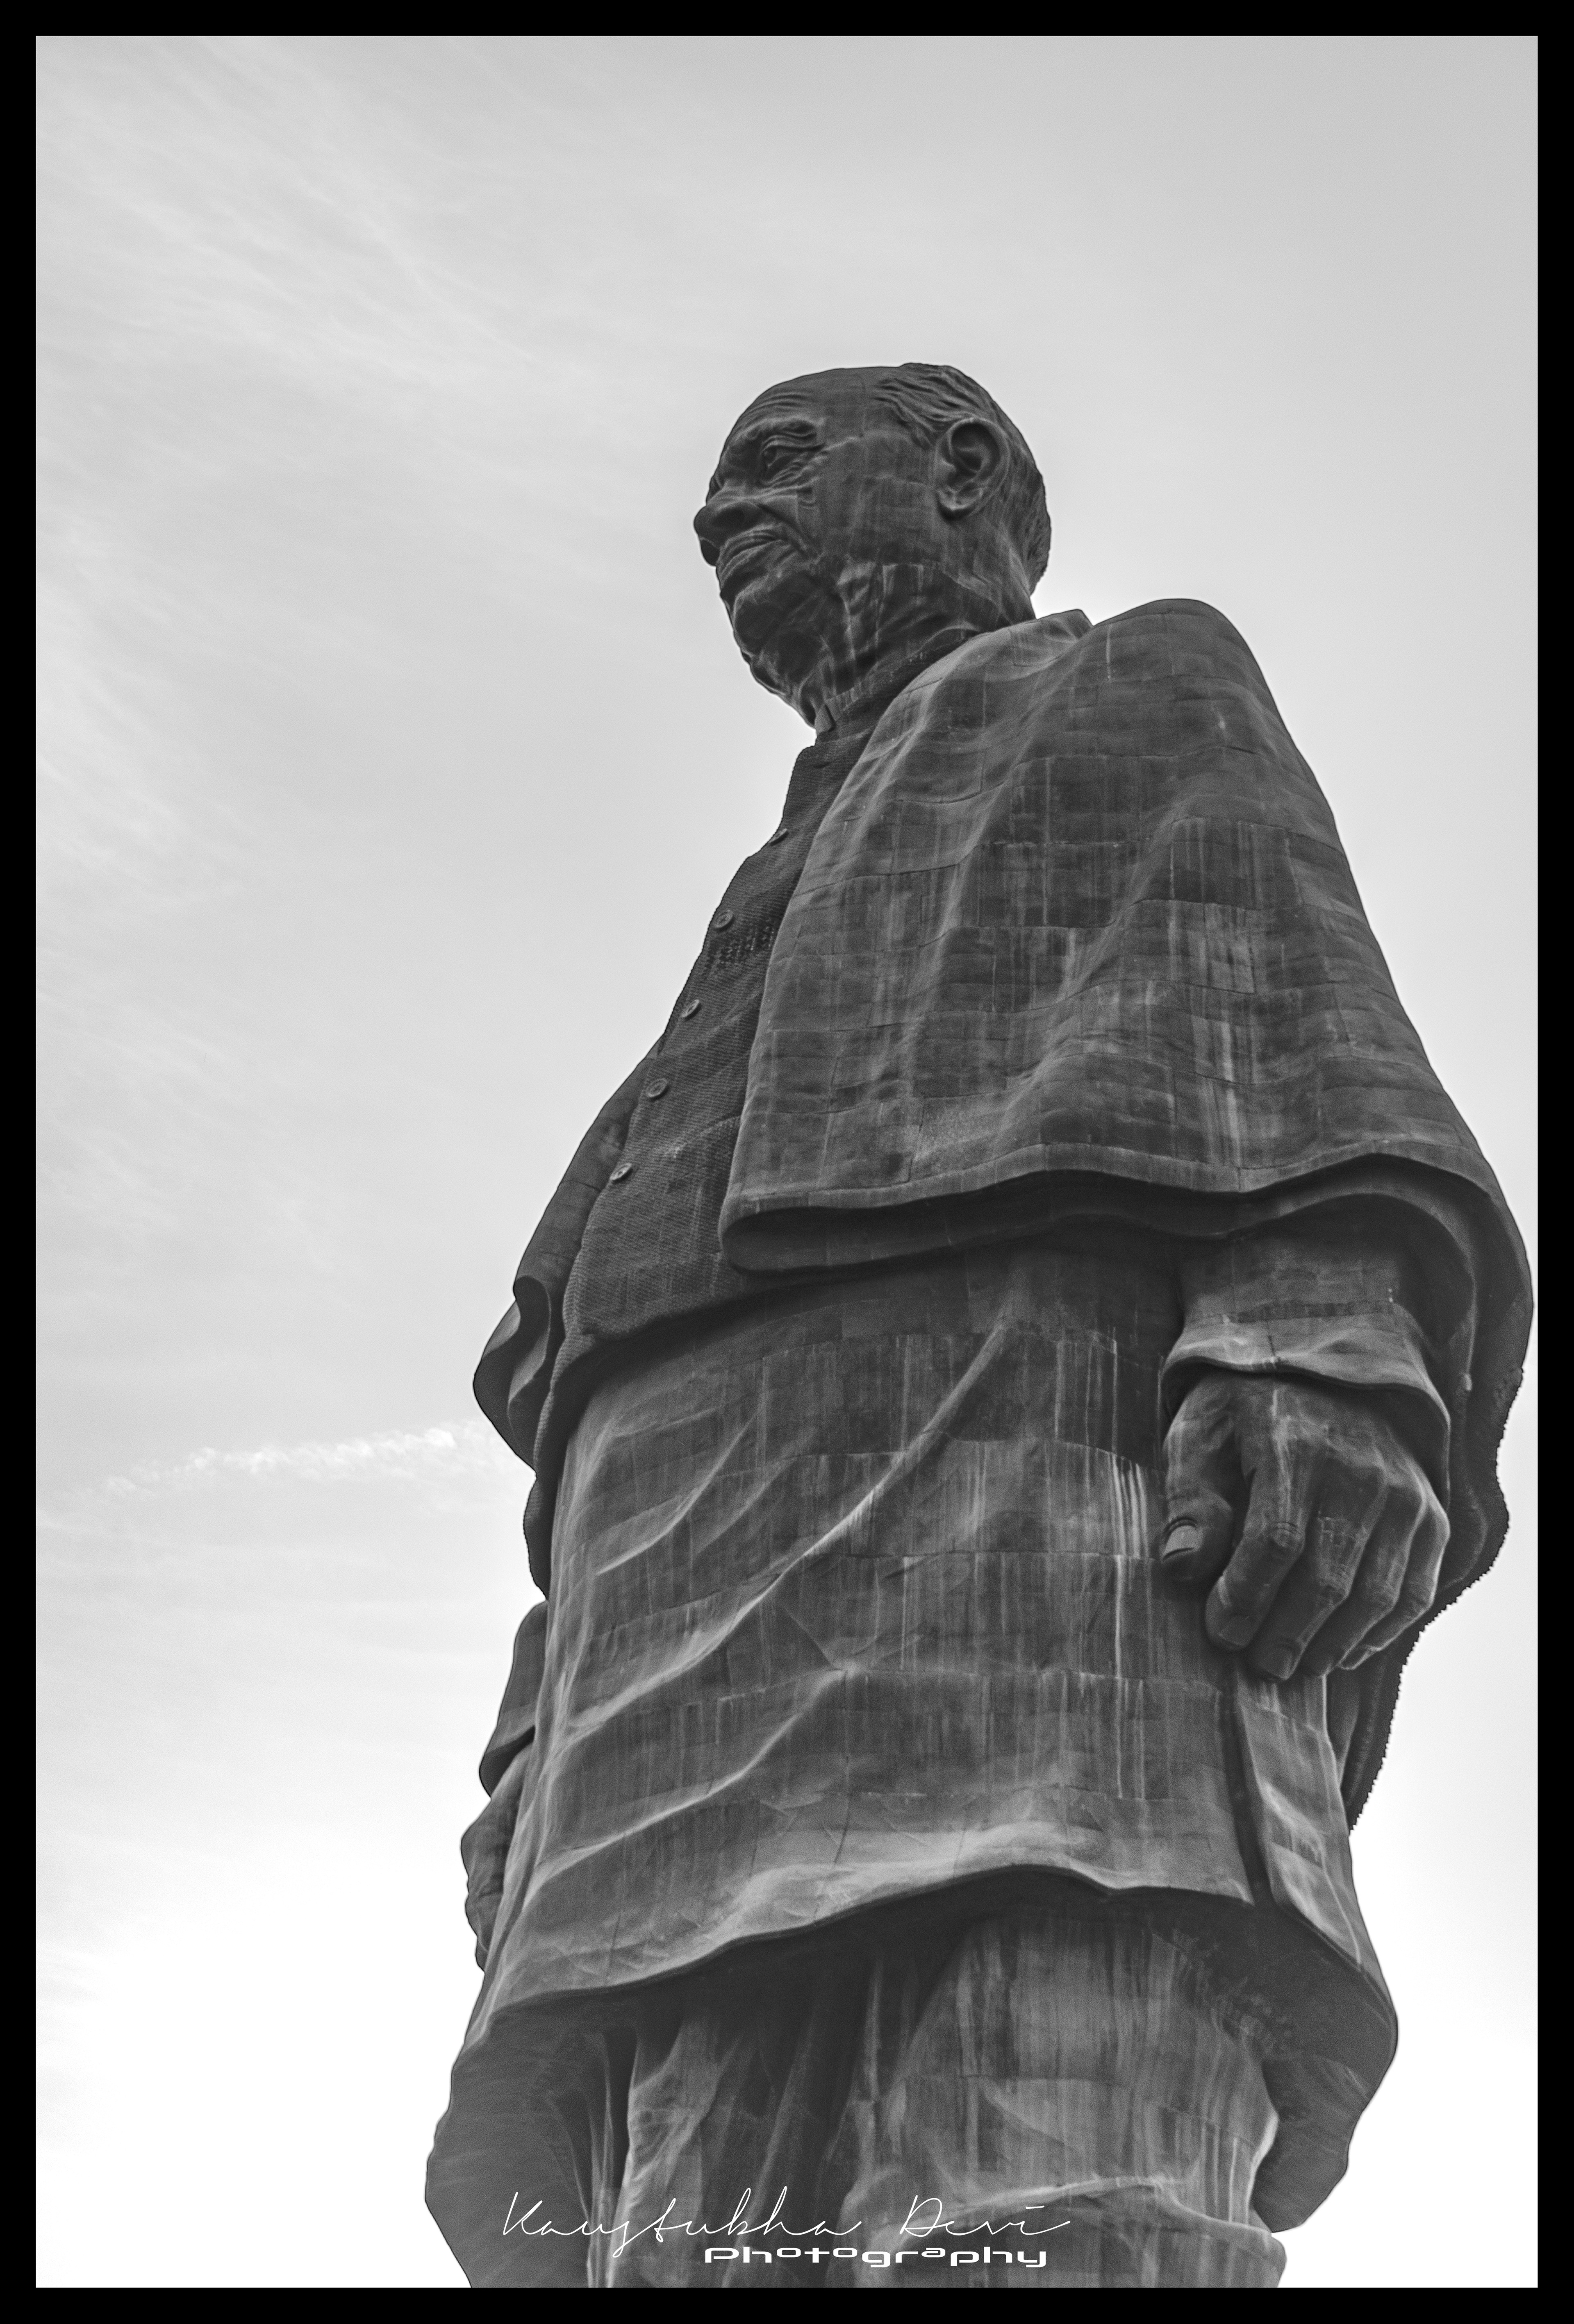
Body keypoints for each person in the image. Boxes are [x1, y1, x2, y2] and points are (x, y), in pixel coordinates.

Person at [426, 365, 1529, 2288]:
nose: (719, 524)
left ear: (960, 480)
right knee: (678, 2236)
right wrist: (538, 1719)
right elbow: (599, 1353)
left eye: (773, 466)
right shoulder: (758, 894)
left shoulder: (1130, 686)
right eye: (715, 490)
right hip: (674, 1653)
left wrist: (1321, 1322)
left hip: (1033, 1552)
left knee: (1048, 2193)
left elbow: (1278, 999)